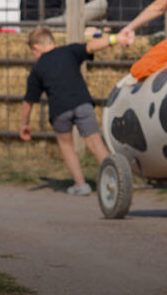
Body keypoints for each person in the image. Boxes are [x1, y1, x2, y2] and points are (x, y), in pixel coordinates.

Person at [19, 25, 112, 196]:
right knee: (94, 141)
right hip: (82, 103)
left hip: (60, 110)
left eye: (33, 52)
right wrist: (114, 39)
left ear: (36, 47)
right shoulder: (69, 51)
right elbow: (91, 46)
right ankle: (115, 180)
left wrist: (24, 124)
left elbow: (28, 101)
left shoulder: (37, 69)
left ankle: (81, 185)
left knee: (66, 146)